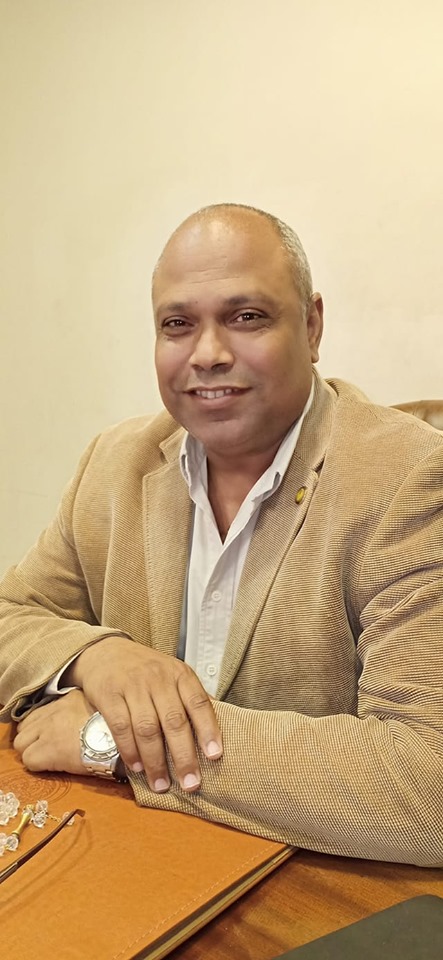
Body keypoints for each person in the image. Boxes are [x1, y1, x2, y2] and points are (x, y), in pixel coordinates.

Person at [1, 203, 443, 867]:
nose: (207, 354)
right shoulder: (115, 462)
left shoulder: (408, 478)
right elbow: (12, 615)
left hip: (310, 884)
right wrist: (98, 655)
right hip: (129, 857)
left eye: (246, 316)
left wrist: (112, 740)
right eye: (177, 325)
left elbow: (427, 782)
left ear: (312, 326)